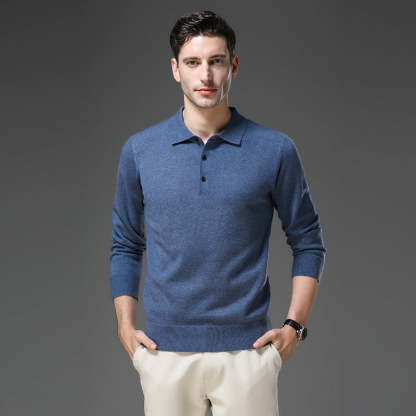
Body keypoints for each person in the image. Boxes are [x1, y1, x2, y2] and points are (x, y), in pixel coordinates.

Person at [109, 9, 327, 416]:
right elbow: (126, 244)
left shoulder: (275, 150)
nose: (205, 75)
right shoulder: (140, 151)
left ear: (234, 66)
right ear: (175, 69)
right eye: (193, 62)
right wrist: (125, 325)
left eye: (216, 61)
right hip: (164, 355)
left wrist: (294, 327)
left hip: (248, 354)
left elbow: (308, 242)